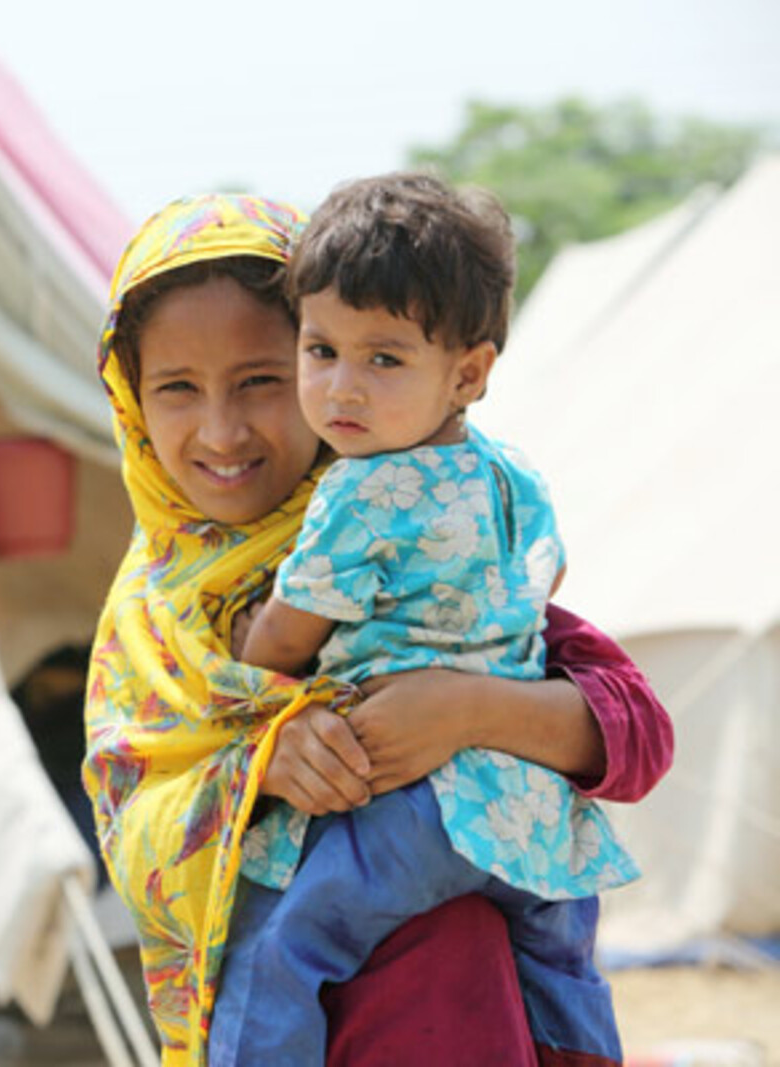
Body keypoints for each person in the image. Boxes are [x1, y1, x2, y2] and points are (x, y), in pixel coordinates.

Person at [82, 193, 673, 1065]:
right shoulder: (151, 620)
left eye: (263, 378)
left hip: (461, 1010)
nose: (221, 429)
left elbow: (640, 734)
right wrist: (259, 763)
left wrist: (465, 710)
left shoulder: (429, 532)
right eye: (176, 388)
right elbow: (131, 816)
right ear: (131, 402)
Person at [222, 172, 634, 1063]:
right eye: (320, 349)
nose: (341, 389)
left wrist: (242, 633)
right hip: (530, 816)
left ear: (470, 372)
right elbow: (547, 569)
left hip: (415, 813)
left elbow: (285, 640)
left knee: (281, 947)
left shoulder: (361, 488)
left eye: (383, 358)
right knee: (565, 975)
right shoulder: (510, 472)